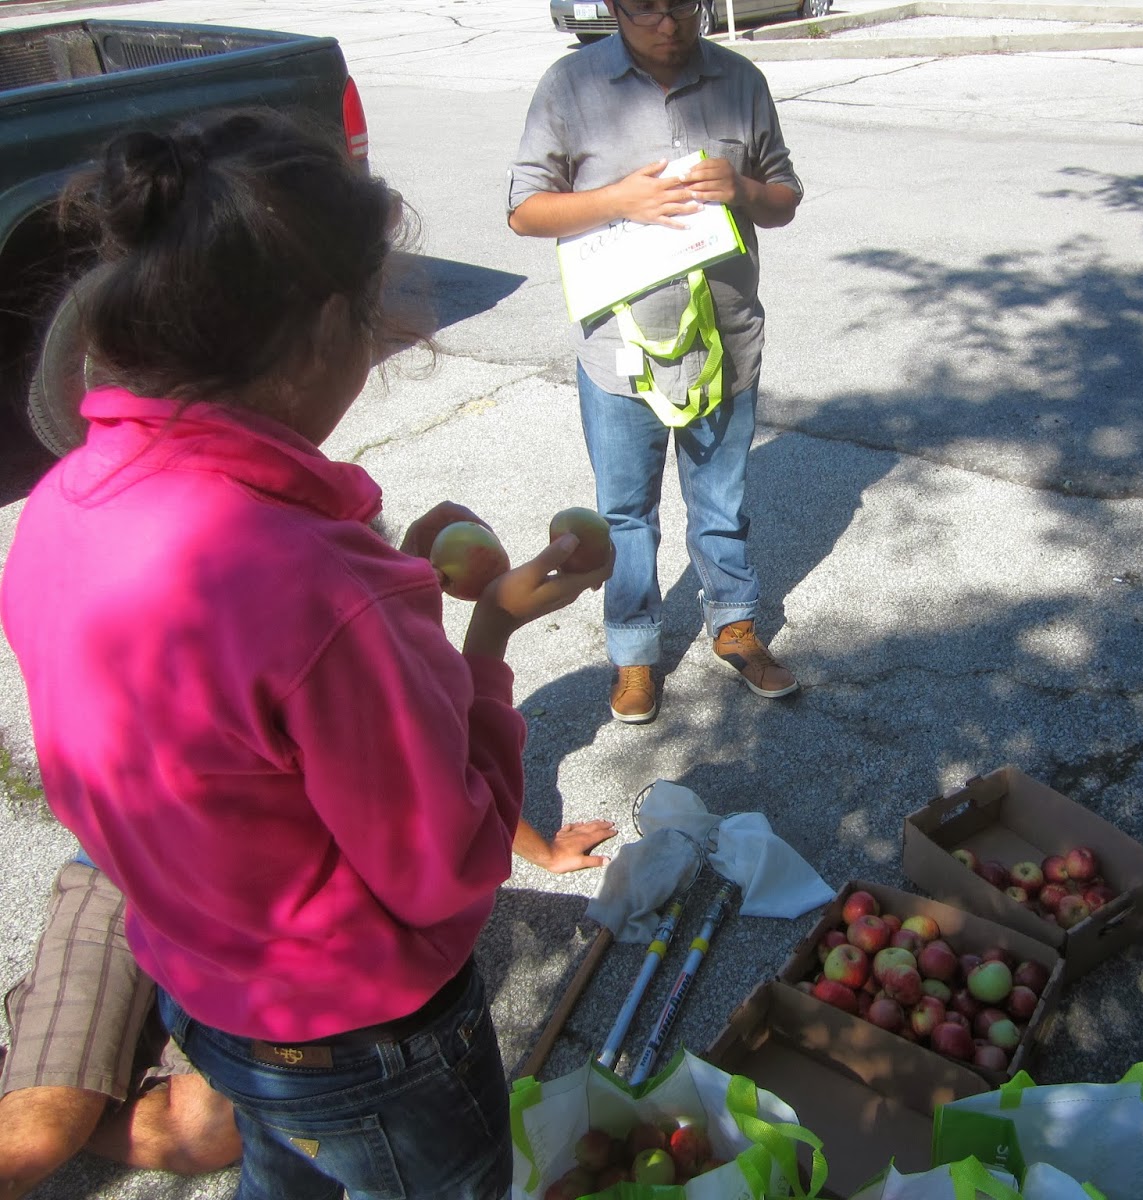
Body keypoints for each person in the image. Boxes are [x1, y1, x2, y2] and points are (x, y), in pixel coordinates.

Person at [0, 111, 616, 1199]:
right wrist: (485, 638)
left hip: (204, 981)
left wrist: (395, 598)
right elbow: (446, 867)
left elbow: (232, 730)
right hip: (359, 1038)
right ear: (330, 325)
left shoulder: (57, 507)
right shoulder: (322, 592)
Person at [507, 0, 804, 725]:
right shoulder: (569, 85)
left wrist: (744, 191)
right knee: (625, 513)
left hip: (725, 341)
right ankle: (635, 654)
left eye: (682, 5)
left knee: (721, 500)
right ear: (612, 6)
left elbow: (786, 196)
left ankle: (734, 624)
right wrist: (616, 201)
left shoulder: (740, 79)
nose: (667, 23)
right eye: (645, 7)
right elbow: (524, 209)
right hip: (618, 352)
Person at [1, 858, 239, 1198]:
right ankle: (74, 1073)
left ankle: (80, 1069)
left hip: (244, 910)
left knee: (202, 1136)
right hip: (118, 874)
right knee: (35, 1138)